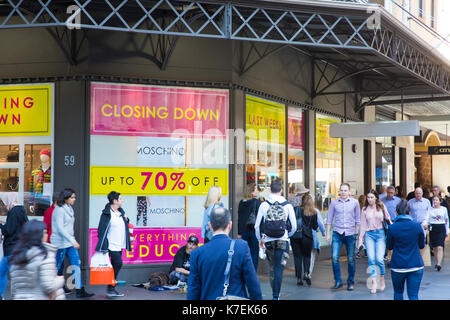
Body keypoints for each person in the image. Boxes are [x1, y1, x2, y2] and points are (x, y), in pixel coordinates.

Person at [187, 207, 262, 300]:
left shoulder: (197, 253)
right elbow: (252, 283)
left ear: (210, 226)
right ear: (230, 225)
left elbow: (193, 289)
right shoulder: (241, 247)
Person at [255, 179, 296, 300]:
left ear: (269, 189)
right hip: (283, 241)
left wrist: (260, 239)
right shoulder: (287, 205)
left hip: (268, 241)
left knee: (272, 266)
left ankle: (274, 292)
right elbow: (294, 226)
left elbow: (257, 226)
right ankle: (276, 296)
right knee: (279, 268)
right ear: (281, 190)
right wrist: (288, 235)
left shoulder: (264, 205)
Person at [51, 188, 94, 298]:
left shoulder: (69, 208)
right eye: (72, 197)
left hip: (69, 243)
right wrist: (72, 240)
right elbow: (60, 228)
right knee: (58, 267)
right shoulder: (59, 210)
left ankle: (79, 290)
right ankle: (54, 289)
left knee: (76, 264)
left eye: (74, 197)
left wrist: (72, 240)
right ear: (65, 198)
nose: (74, 199)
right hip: (60, 243)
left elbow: (69, 228)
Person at [9, 220, 65, 300]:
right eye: (44, 232)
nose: (47, 235)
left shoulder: (17, 257)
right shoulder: (45, 255)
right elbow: (48, 286)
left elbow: (13, 290)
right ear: (39, 236)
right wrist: (60, 280)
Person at [387, 200, 425, 300]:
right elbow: (421, 245)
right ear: (409, 212)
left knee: (398, 293)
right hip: (415, 265)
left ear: (396, 213)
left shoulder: (392, 228)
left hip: (398, 265)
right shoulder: (417, 226)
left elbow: (389, 246)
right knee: (413, 296)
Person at [95, 191, 131, 298]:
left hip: (119, 244)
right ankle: (111, 287)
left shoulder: (120, 212)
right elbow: (101, 229)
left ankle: (111, 287)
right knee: (118, 263)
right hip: (111, 244)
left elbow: (125, 224)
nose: (122, 200)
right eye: (120, 199)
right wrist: (104, 244)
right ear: (115, 201)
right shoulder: (106, 213)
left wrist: (127, 219)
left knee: (115, 264)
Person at [326, 182, 360, 291]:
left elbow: (358, 220)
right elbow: (329, 219)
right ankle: (338, 281)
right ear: (339, 191)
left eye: (346, 190)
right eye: (342, 190)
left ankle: (350, 282)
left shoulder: (355, 203)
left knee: (350, 259)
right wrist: (327, 234)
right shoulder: (334, 203)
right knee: (335, 258)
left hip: (350, 233)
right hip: (337, 233)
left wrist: (356, 234)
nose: (343, 192)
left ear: (349, 192)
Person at [358, 190, 391, 294]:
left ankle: (381, 278)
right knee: (371, 259)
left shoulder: (381, 206)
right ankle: (374, 282)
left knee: (379, 259)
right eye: (368, 197)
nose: (370, 199)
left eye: (372, 197)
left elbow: (388, 218)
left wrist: (383, 208)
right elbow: (363, 225)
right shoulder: (364, 209)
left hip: (380, 234)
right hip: (369, 235)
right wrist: (360, 240)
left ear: (376, 198)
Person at [0, 193, 28, 300]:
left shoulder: (13, 212)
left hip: (11, 248)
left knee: (5, 273)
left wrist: (1, 226)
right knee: (5, 272)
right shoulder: (21, 210)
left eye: (4, 201)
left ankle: (8, 295)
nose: (4, 204)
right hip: (19, 247)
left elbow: (8, 231)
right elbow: (19, 227)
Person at [290, 195, 318, 286]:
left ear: (302, 201)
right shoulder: (313, 212)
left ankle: (299, 278)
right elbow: (315, 227)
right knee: (307, 256)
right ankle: (306, 273)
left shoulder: (296, 209)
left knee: (297, 257)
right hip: (307, 237)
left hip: (296, 236)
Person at [237, 183, 261, 271]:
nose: (258, 191)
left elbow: (240, 219)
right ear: (251, 192)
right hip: (254, 231)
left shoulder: (241, 203)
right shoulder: (257, 202)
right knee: (254, 253)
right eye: (256, 189)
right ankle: (252, 273)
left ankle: (244, 271)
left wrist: (239, 233)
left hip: (244, 231)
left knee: (245, 253)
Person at [426, 195, 449, 271]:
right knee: (435, 247)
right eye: (434, 200)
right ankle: (437, 261)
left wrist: (446, 230)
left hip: (441, 227)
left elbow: (446, 220)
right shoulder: (430, 209)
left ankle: (439, 263)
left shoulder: (444, 209)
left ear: (440, 201)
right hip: (433, 228)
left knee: (440, 246)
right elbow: (427, 218)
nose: (435, 201)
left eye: (436, 200)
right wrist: (426, 224)